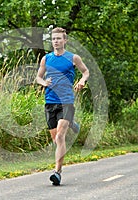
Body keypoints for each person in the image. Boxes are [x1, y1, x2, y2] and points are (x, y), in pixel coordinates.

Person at [36, 27, 89, 186]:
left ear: (65, 40)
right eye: (53, 39)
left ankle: (57, 172)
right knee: (55, 139)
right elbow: (38, 77)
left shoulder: (73, 58)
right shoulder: (46, 59)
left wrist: (81, 80)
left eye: (59, 38)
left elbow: (85, 72)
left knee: (60, 137)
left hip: (66, 101)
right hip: (50, 101)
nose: (56, 41)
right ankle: (72, 123)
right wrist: (44, 82)